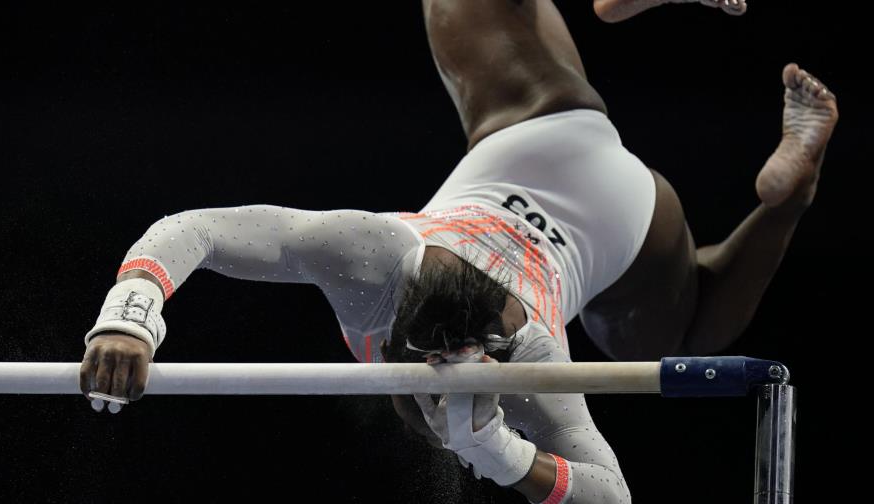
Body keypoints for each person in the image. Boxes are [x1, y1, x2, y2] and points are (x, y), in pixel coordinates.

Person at [79, 1, 838, 502]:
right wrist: (130, 316)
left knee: (687, 327)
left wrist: (511, 456)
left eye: (445, 396)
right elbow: (198, 227)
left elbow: (611, 493)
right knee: (678, 332)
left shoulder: (529, 352)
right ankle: (793, 198)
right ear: (400, 317)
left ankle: (790, 202)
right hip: (572, 166)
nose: (440, 406)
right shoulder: (380, 258)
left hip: (582, 182)